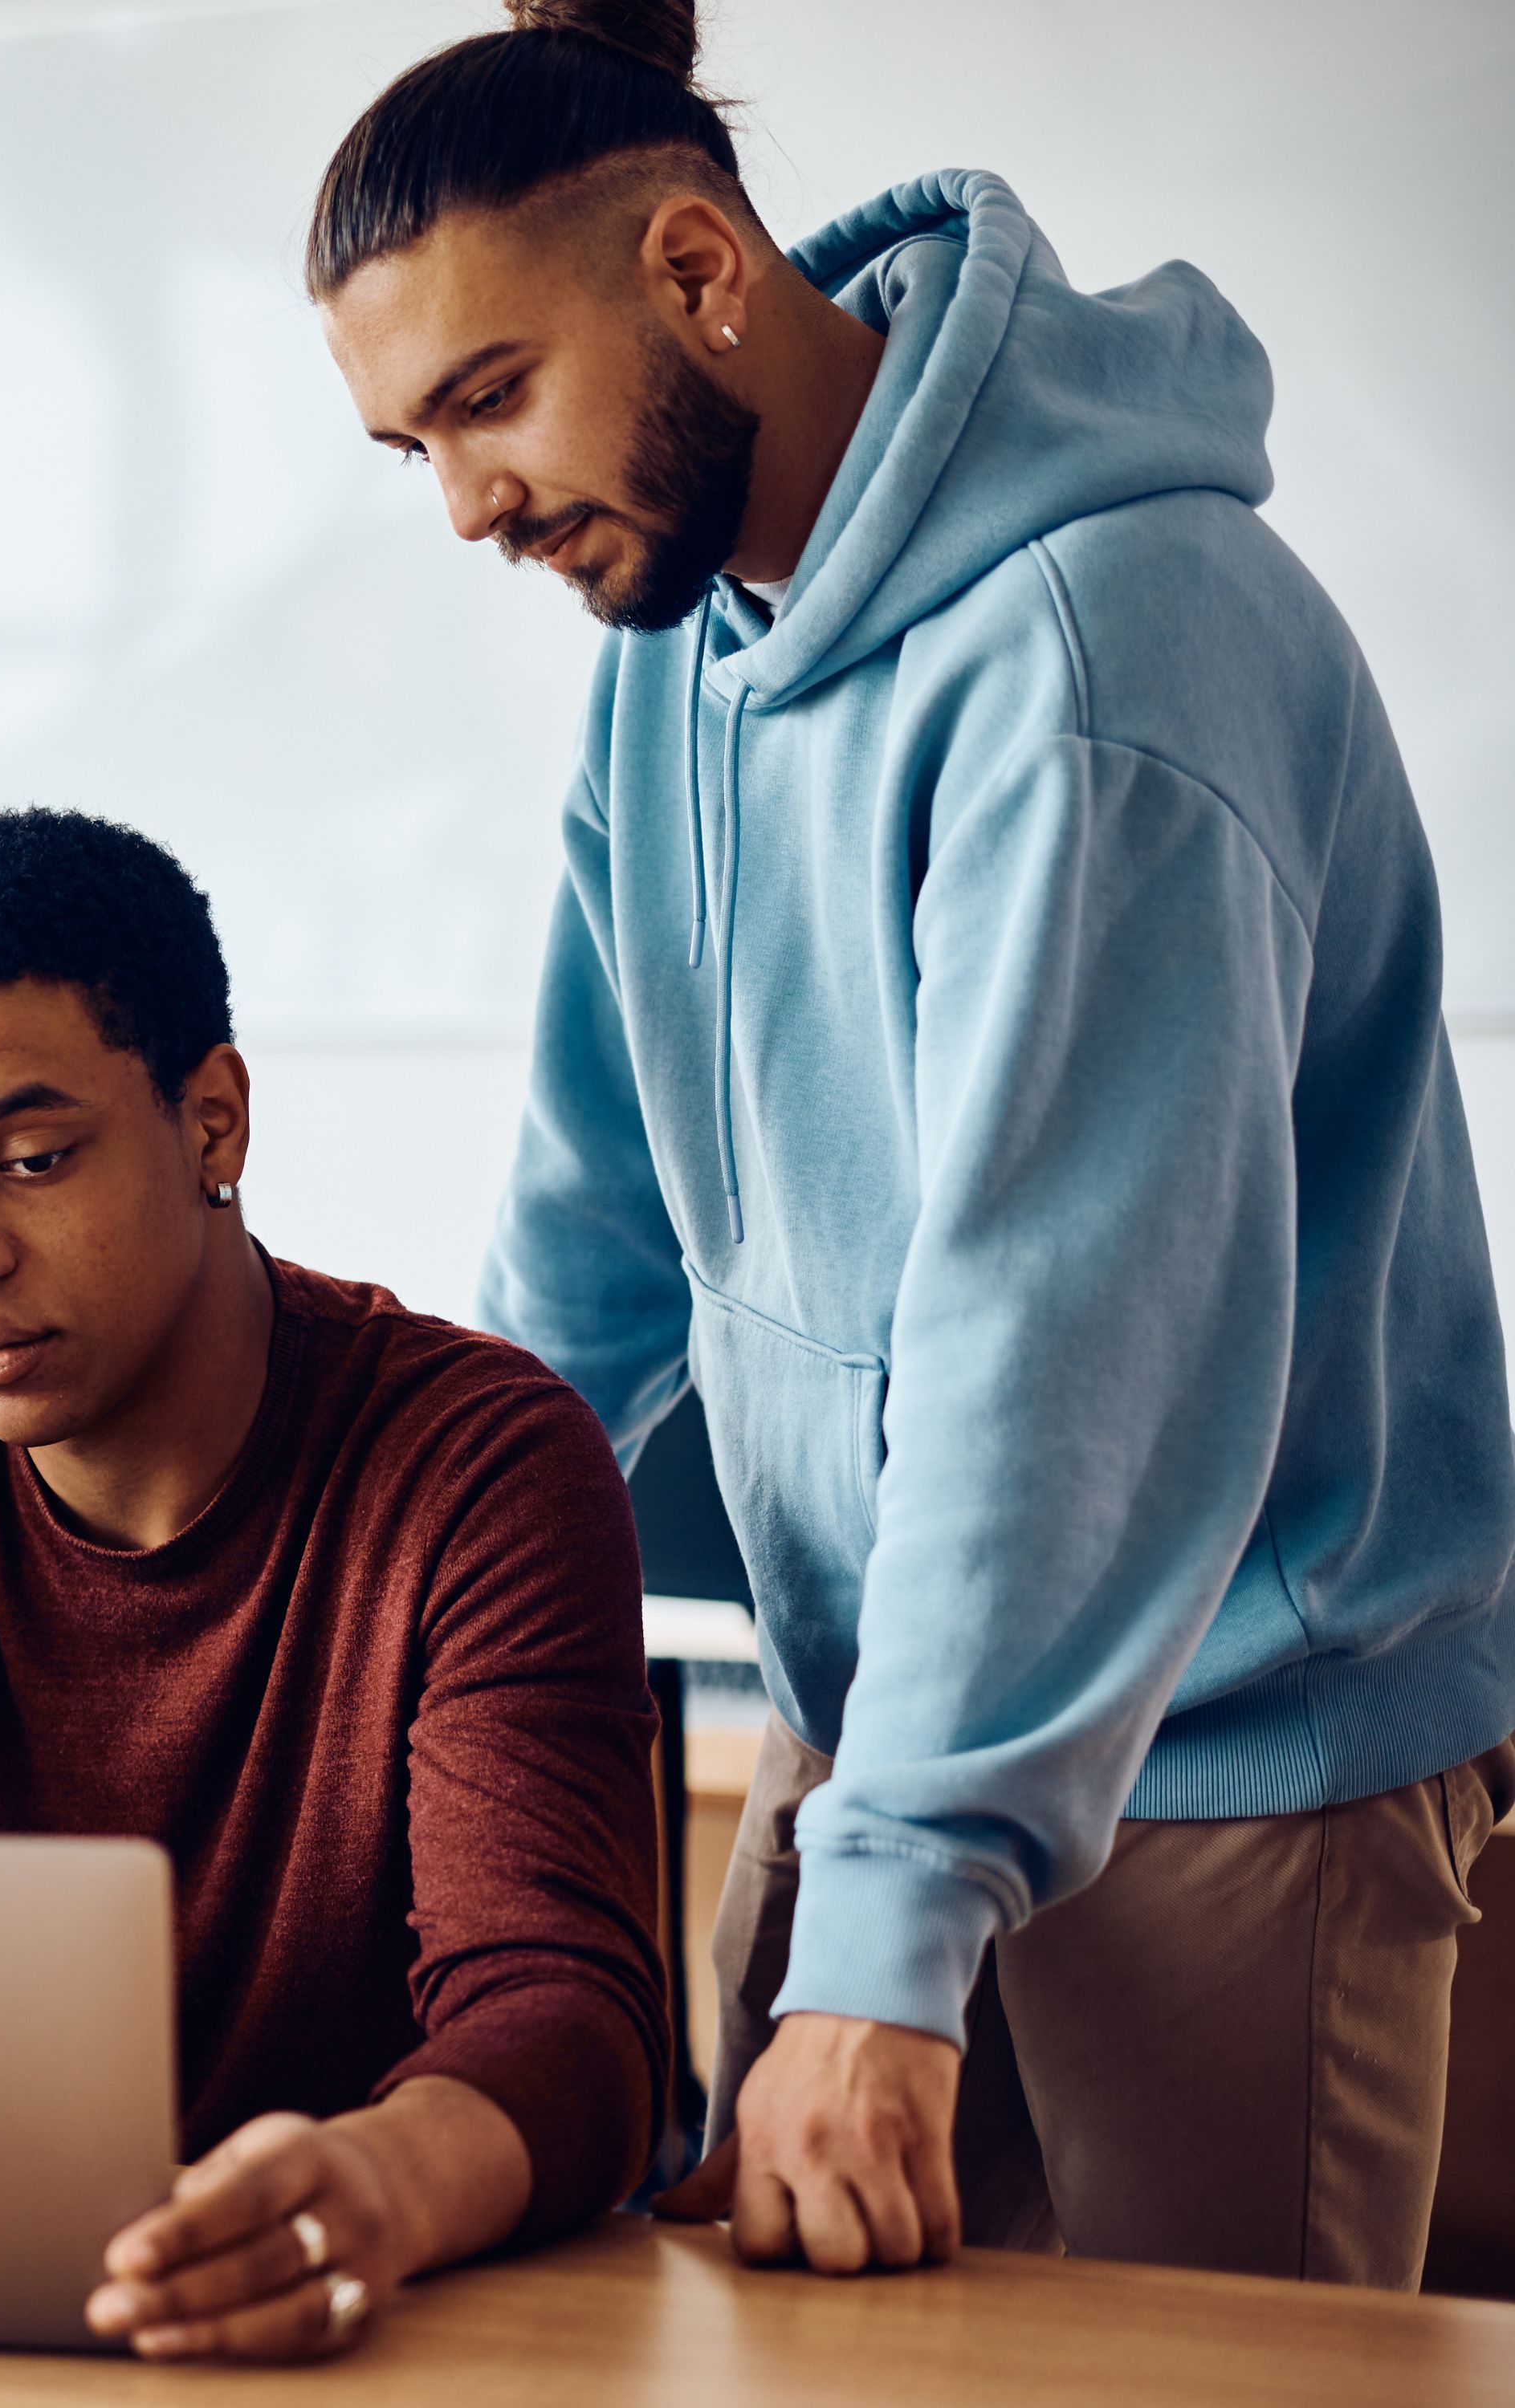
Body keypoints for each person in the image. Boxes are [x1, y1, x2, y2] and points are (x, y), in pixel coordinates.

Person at [310, 0, 1515, 2288]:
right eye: (412, 446)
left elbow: (1059, 1352)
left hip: (1235, 1745)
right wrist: (388, 1617)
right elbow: (594, 1237)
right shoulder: (677, 644)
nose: (466, 502)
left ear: (694, 275)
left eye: (488, 397)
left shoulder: (1102, 653)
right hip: (885, 1732)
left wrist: (887, 1934)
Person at [0, 810, 665, 2365]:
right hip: (2, 2308)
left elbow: (567, 2023)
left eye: (32, 1161)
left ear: (212, 1124)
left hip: (402, 2324)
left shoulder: (482, 1461)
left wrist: (373, 2182)